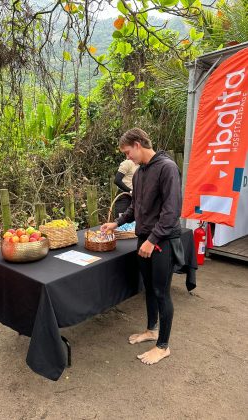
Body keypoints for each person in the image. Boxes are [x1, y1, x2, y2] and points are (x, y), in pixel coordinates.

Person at [101, 128, 183, 365]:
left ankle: (163, 346)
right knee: (149, 288)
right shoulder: (139, 173)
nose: (127, 157)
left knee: (161, 292)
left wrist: (152, 240)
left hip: (162, 241)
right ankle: (151, 330)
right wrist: (115, 223)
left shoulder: (167, 168)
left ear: (138, 144)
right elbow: (135, 207)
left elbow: (171, 212)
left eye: (128, 152)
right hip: (144, 239)